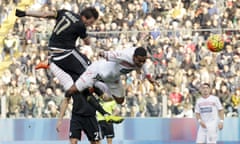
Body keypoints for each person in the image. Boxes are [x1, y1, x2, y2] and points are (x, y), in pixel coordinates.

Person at [15, 8, 123, 123]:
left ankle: (104, 113)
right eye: (91, 23)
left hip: (54, 54)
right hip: (66, 53)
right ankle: (105, 93)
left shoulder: (65, 12)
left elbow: (45, 14)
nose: (90, 25)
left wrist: (25, 13)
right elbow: (87, 42)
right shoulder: (80, 25)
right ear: (85, 18)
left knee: (81, 86)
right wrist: (98, 47)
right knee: (91, 70)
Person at [66, 46, 158, 104]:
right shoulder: (124, 56)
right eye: (139, 61)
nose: (141, 63)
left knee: (120, 101)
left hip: (113, 78)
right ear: (133, 57)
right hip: (97, 71)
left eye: (143, 61)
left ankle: (97, 89)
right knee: (71, 91)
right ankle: (94, 86)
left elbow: (144, 67)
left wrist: (150, 78)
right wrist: (102, 53)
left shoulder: (142, 59)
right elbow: (108, 54)